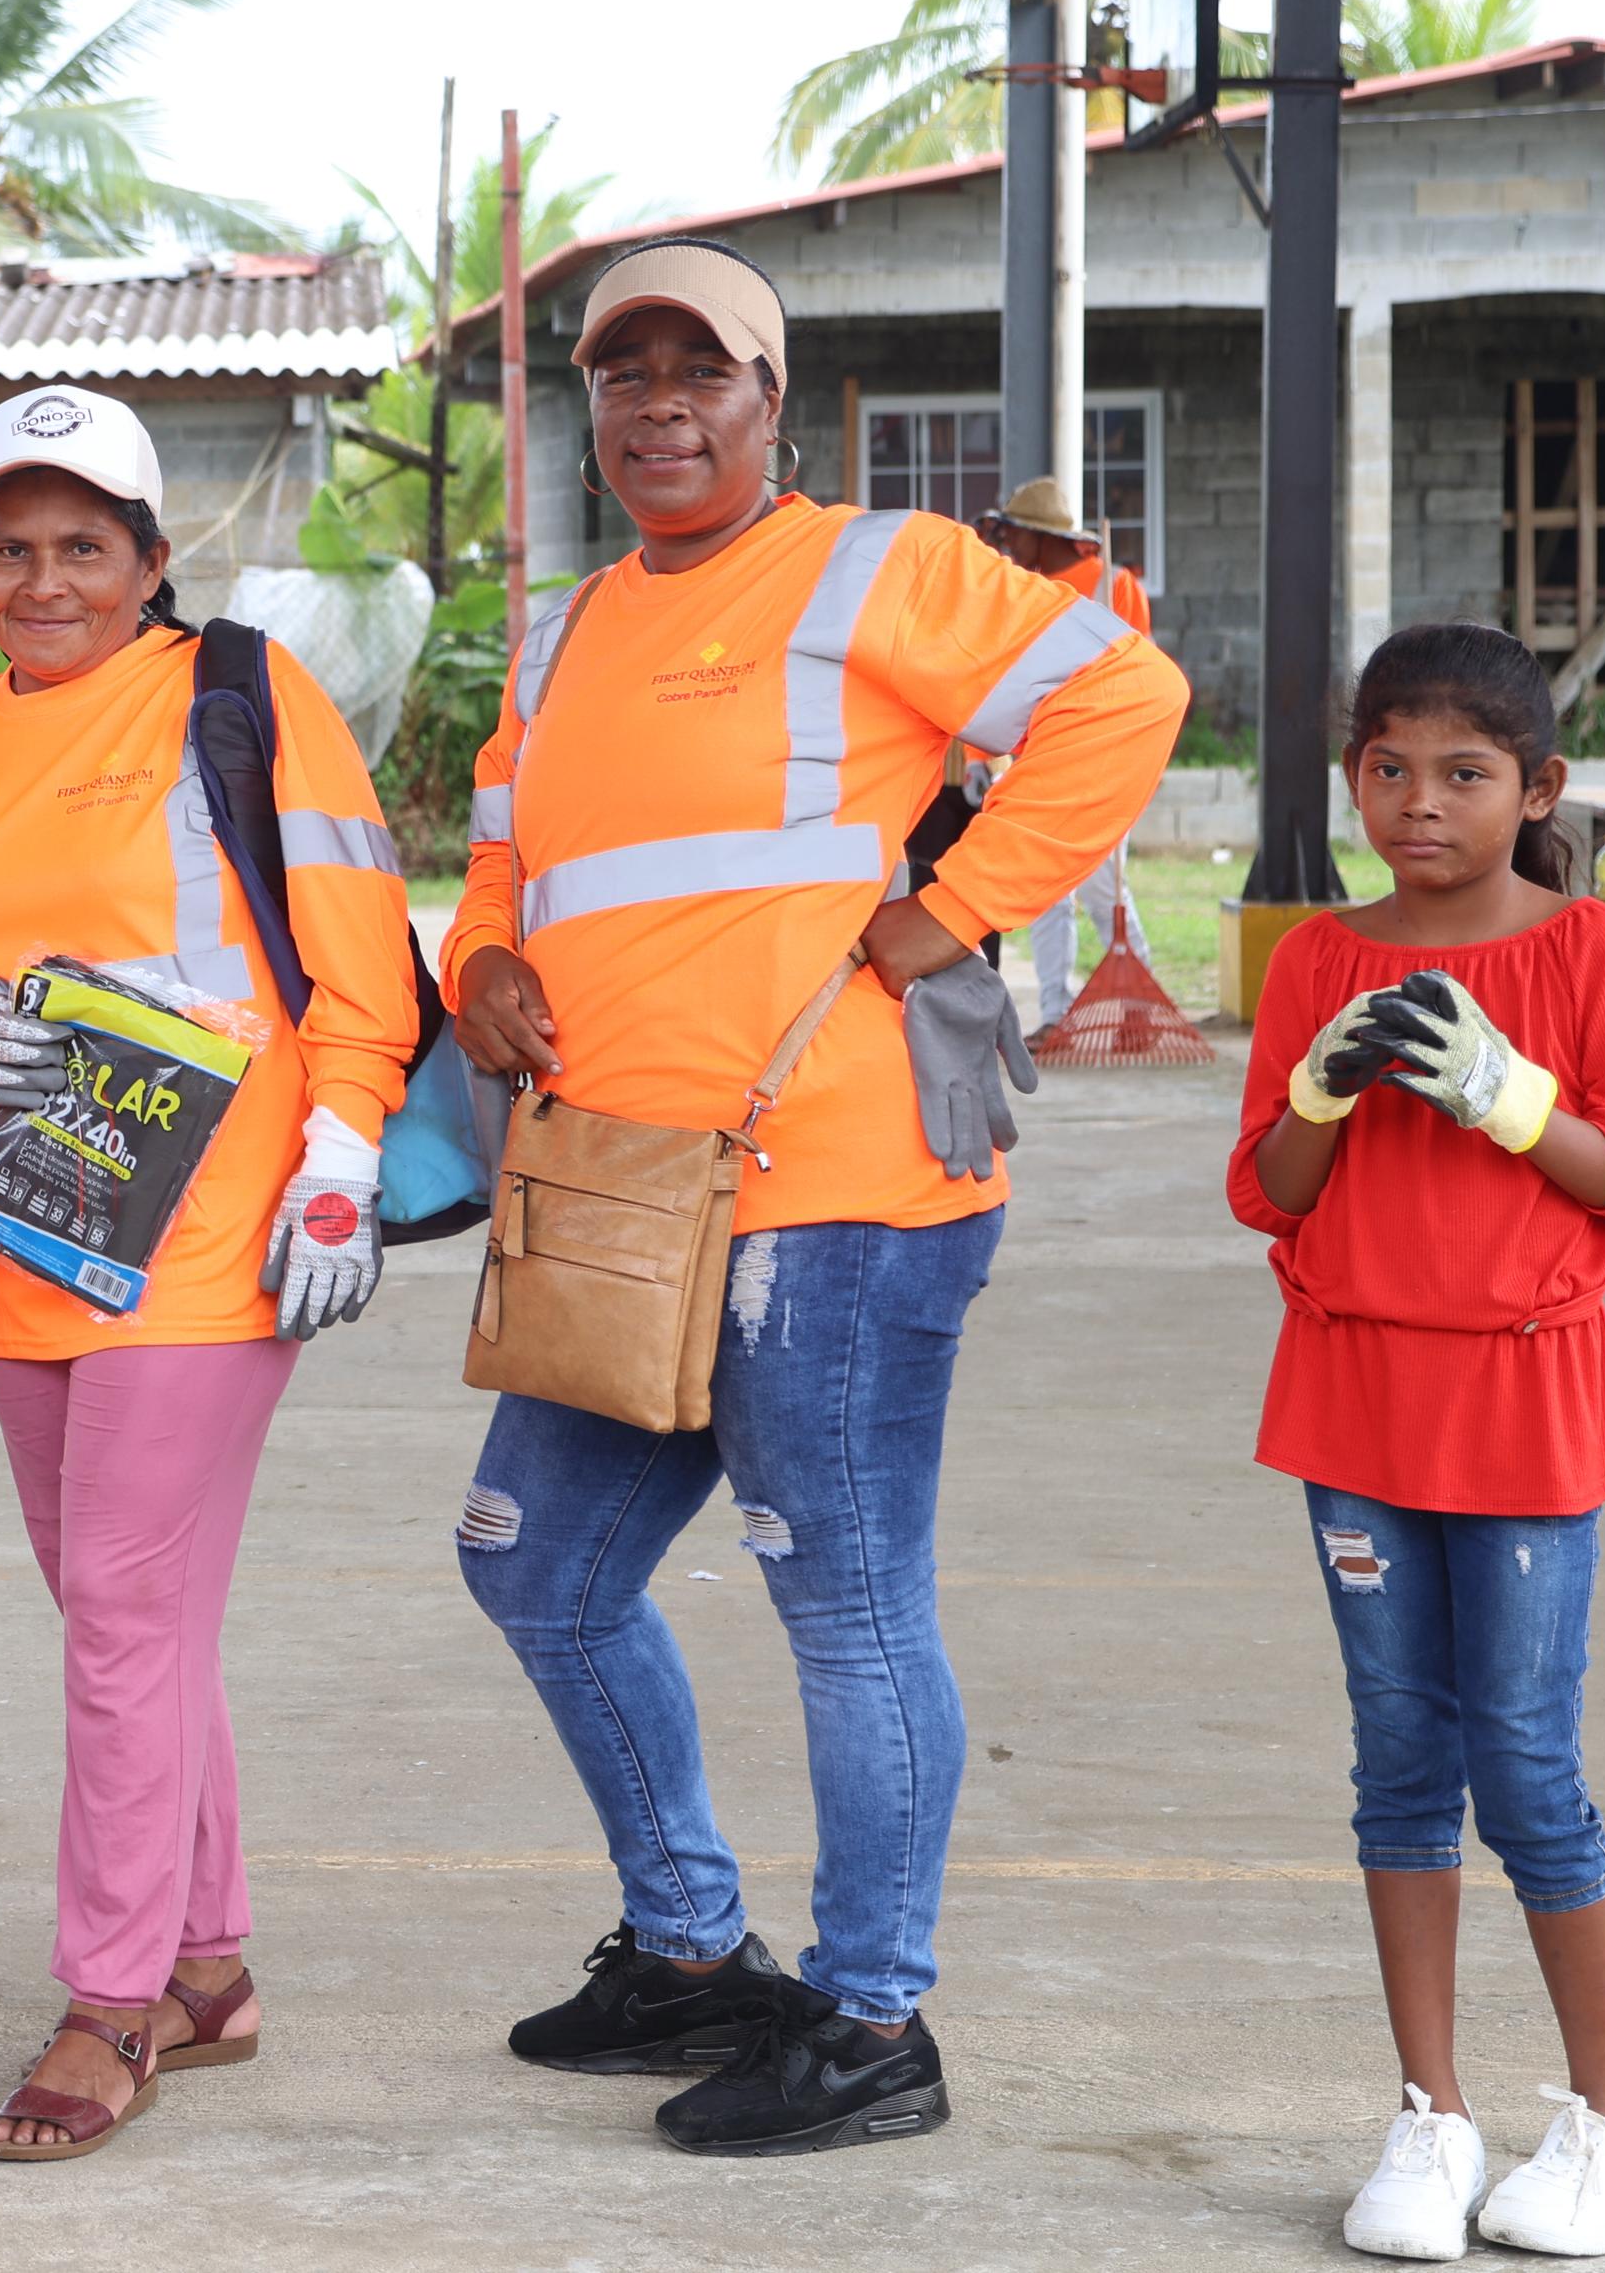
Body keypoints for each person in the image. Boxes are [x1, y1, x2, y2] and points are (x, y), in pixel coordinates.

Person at [445, 235, 1186, 2157]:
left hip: (836, 1190)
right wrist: (479, 962)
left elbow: (1125, 696)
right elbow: (508, 844)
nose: (663, 408)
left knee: (843, 1604)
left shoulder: (886, 566)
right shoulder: (562, 627)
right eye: (628, 376)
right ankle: (693, 1953)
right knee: (537, 1555)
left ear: (773, 401)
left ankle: (871, 2019)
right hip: (626, 1191)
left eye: (706, 373)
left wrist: (949, 910)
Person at [0, 386, 414, 2161]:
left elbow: (360, 961)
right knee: (130, 1615)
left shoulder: (240, 701)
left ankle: (109, 2000)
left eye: (83, 546)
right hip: (33, 1218)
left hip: (213, 1233)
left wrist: (341, 1161)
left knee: (121, 1606)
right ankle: (206, 1967)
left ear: (150, 557)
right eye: (13, 549)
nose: (47, 580)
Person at [1231, 623, 1605, 2260]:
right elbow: (1265, 1191)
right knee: (1400, 1761)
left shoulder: (1588, 950)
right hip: (1354, 1398)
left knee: (1527, 1761)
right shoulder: (1310, 961)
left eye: (1464, 773)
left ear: (1537, 787)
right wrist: (1324, 1101)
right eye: (1391, 767)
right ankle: (1430, 2112)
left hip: (1521, 1400)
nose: (1420, 802)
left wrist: (1505, 1094)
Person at [976, 475, 1157, 1026]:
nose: (1009, 547)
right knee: (1050, 895)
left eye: (1015, 535)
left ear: (1040, 535)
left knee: (1106, 892)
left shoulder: (1115, 586)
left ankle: (1139, 1012)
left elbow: (1141, 679)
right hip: (1043, 760)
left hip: (1102, 761)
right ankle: (1058, 1015)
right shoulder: (1022, 592)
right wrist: (986, 759)